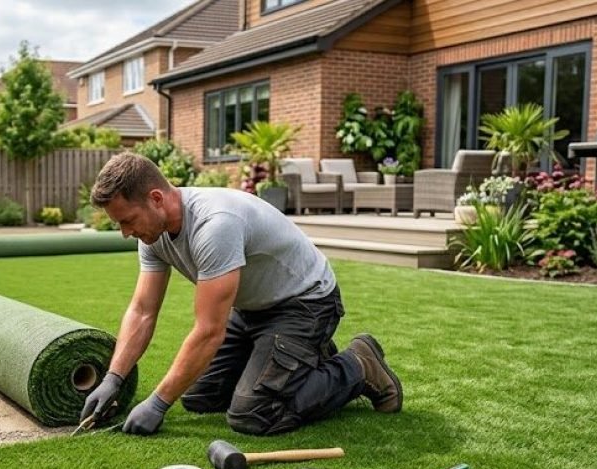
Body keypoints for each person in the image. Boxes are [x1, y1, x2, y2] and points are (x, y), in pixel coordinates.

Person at [78, 152, 403, 436]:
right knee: (198, 398)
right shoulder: (152, 235)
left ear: (156, 199)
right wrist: (114, 378)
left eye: (128, 221)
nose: (125, 233)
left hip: (305, 304)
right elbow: (143, 311)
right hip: (252, 309)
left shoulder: (215, 224)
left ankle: (359, 363)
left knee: (253, 412)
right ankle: (304, 358)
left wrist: (158, 403)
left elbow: (209, 332)